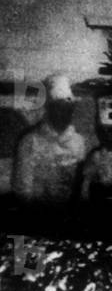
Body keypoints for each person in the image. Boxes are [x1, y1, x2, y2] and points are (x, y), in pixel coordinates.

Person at [13, 73, 86, 209]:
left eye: (67, 108)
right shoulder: (30, 141)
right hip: (38, 213)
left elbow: (80, 185)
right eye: (58, 107)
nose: (63, 113)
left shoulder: (78, 141)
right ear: (50, 109)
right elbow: (22, 188)